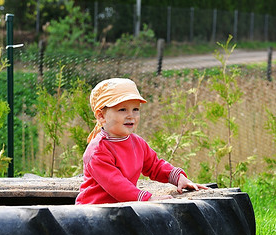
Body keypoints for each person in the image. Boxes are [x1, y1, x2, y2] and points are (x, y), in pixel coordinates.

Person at [75, 78, 208, 204]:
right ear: (101, 116)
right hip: (92, 212)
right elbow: (116, 184)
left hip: (124, 208)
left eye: (135, 109)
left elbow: (155, 165)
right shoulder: (97, 150)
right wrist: (146, 199)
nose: (130, 115)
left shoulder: (137, 143)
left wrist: (178, 178)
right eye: (122, 109)